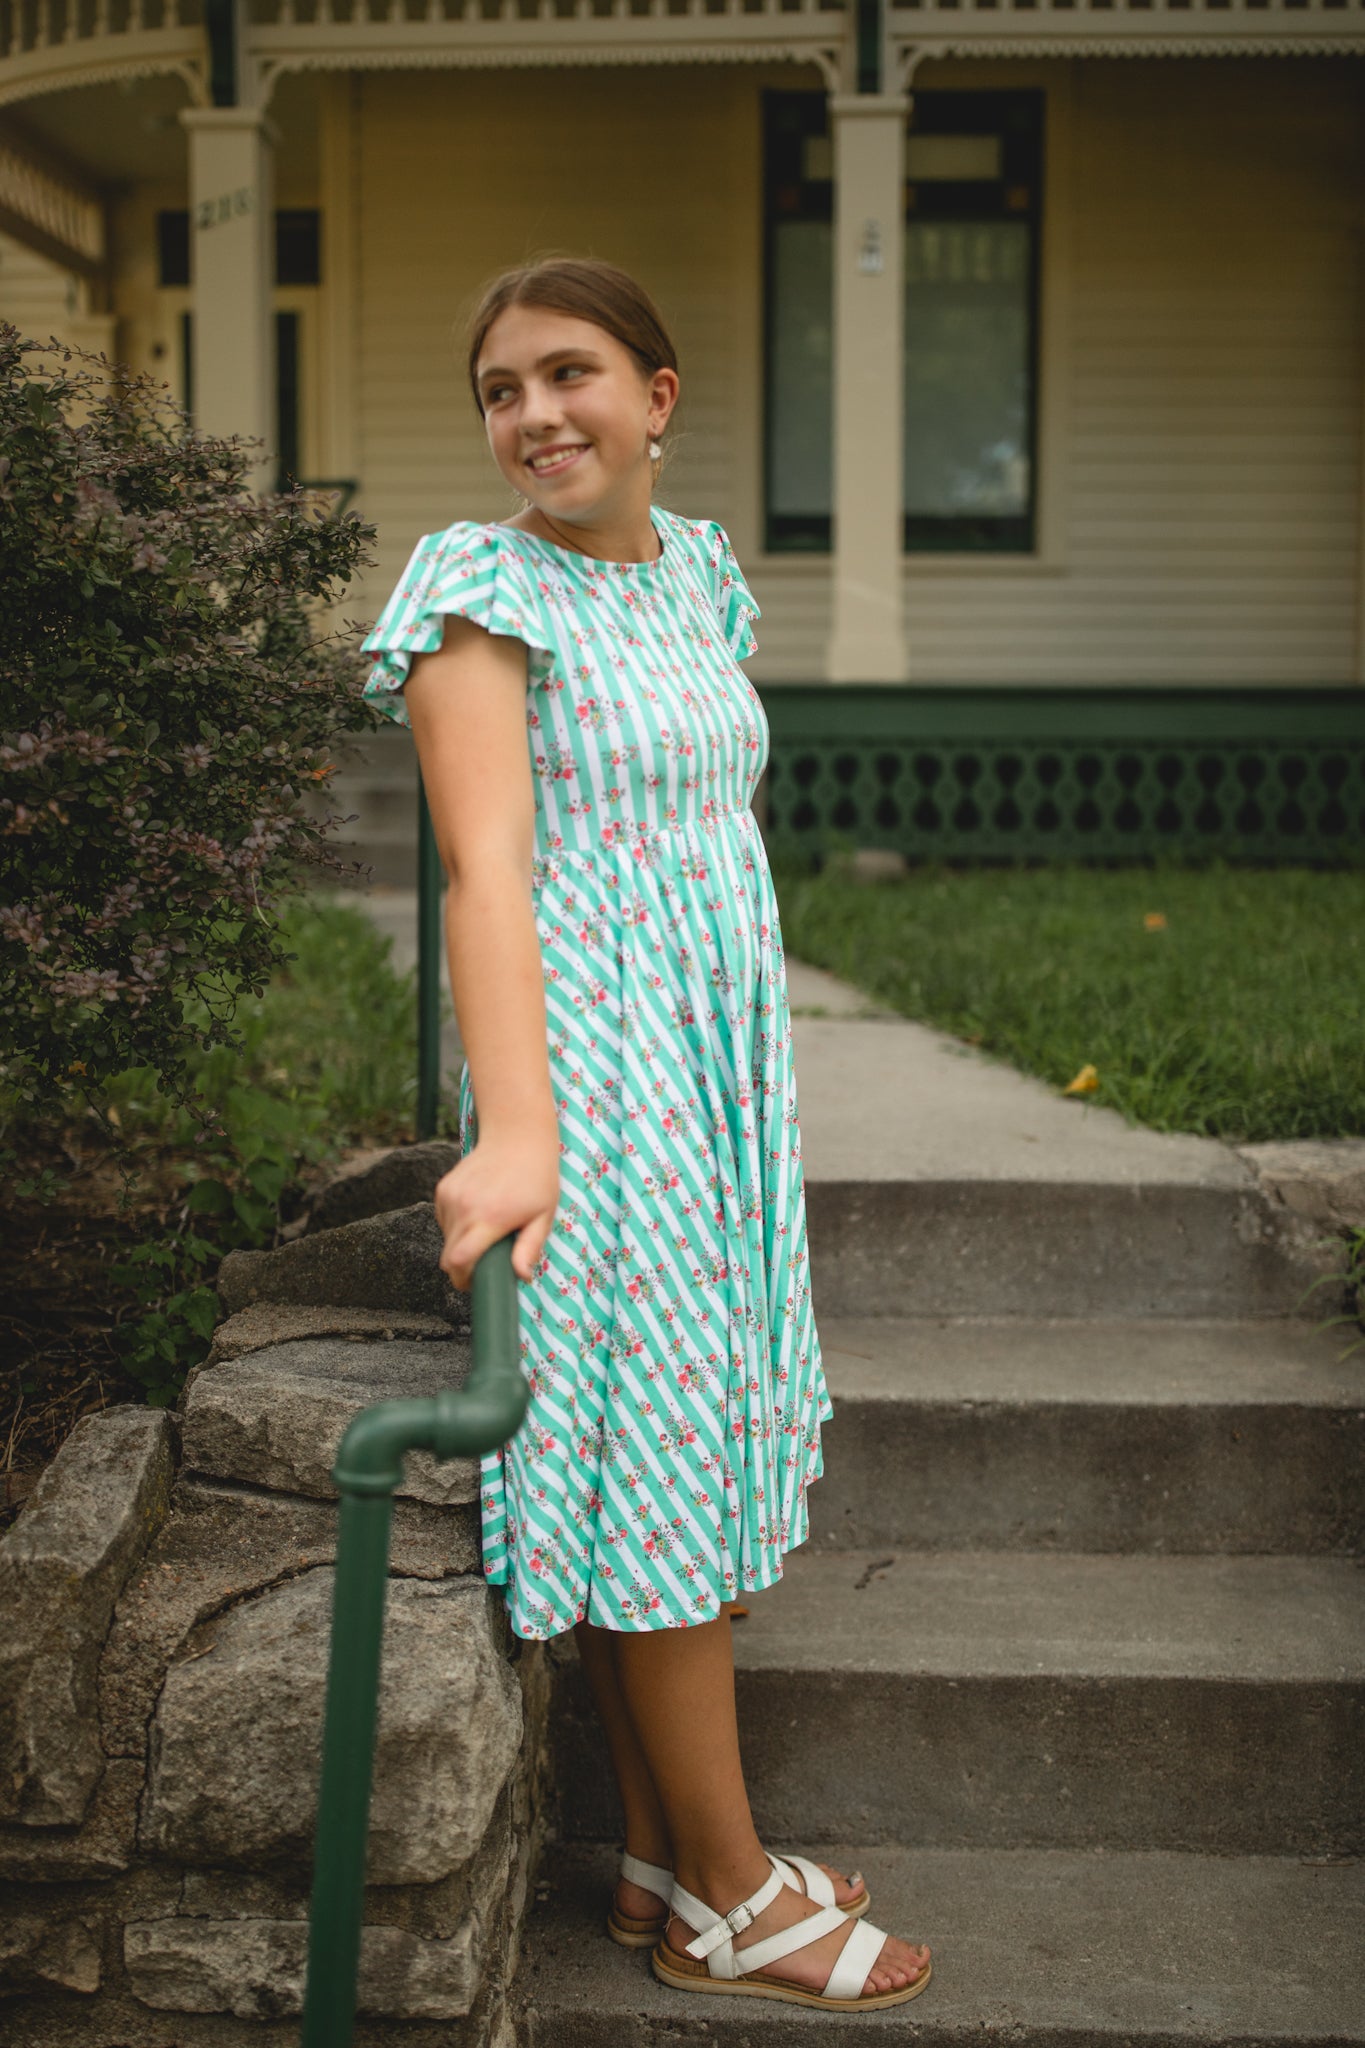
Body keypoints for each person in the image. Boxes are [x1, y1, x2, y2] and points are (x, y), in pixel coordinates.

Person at [360, 256, 931, 2013]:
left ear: (657, 398)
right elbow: (488, 869)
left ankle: (662, 1864)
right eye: (502, 389)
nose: (535, 415)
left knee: (661, 1452)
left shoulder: (698, 576)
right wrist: (519, 1129)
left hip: (712, 1058)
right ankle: (741, 1892)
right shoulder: (476, 587)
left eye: (571, 373)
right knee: (662, 1456)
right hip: (593, 1065)